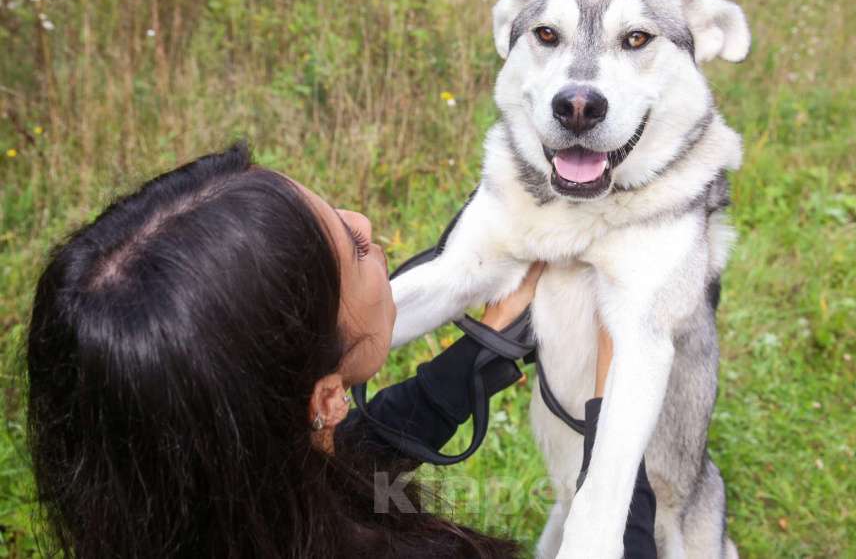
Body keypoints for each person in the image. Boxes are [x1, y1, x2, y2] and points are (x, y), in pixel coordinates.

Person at [25, 142, 655, 558]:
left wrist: (478, 357)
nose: (362, 222)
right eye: (354, 251)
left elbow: (342, 460)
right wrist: (614, 410)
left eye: (331, 211)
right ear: (326, 399)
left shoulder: (181, 499)